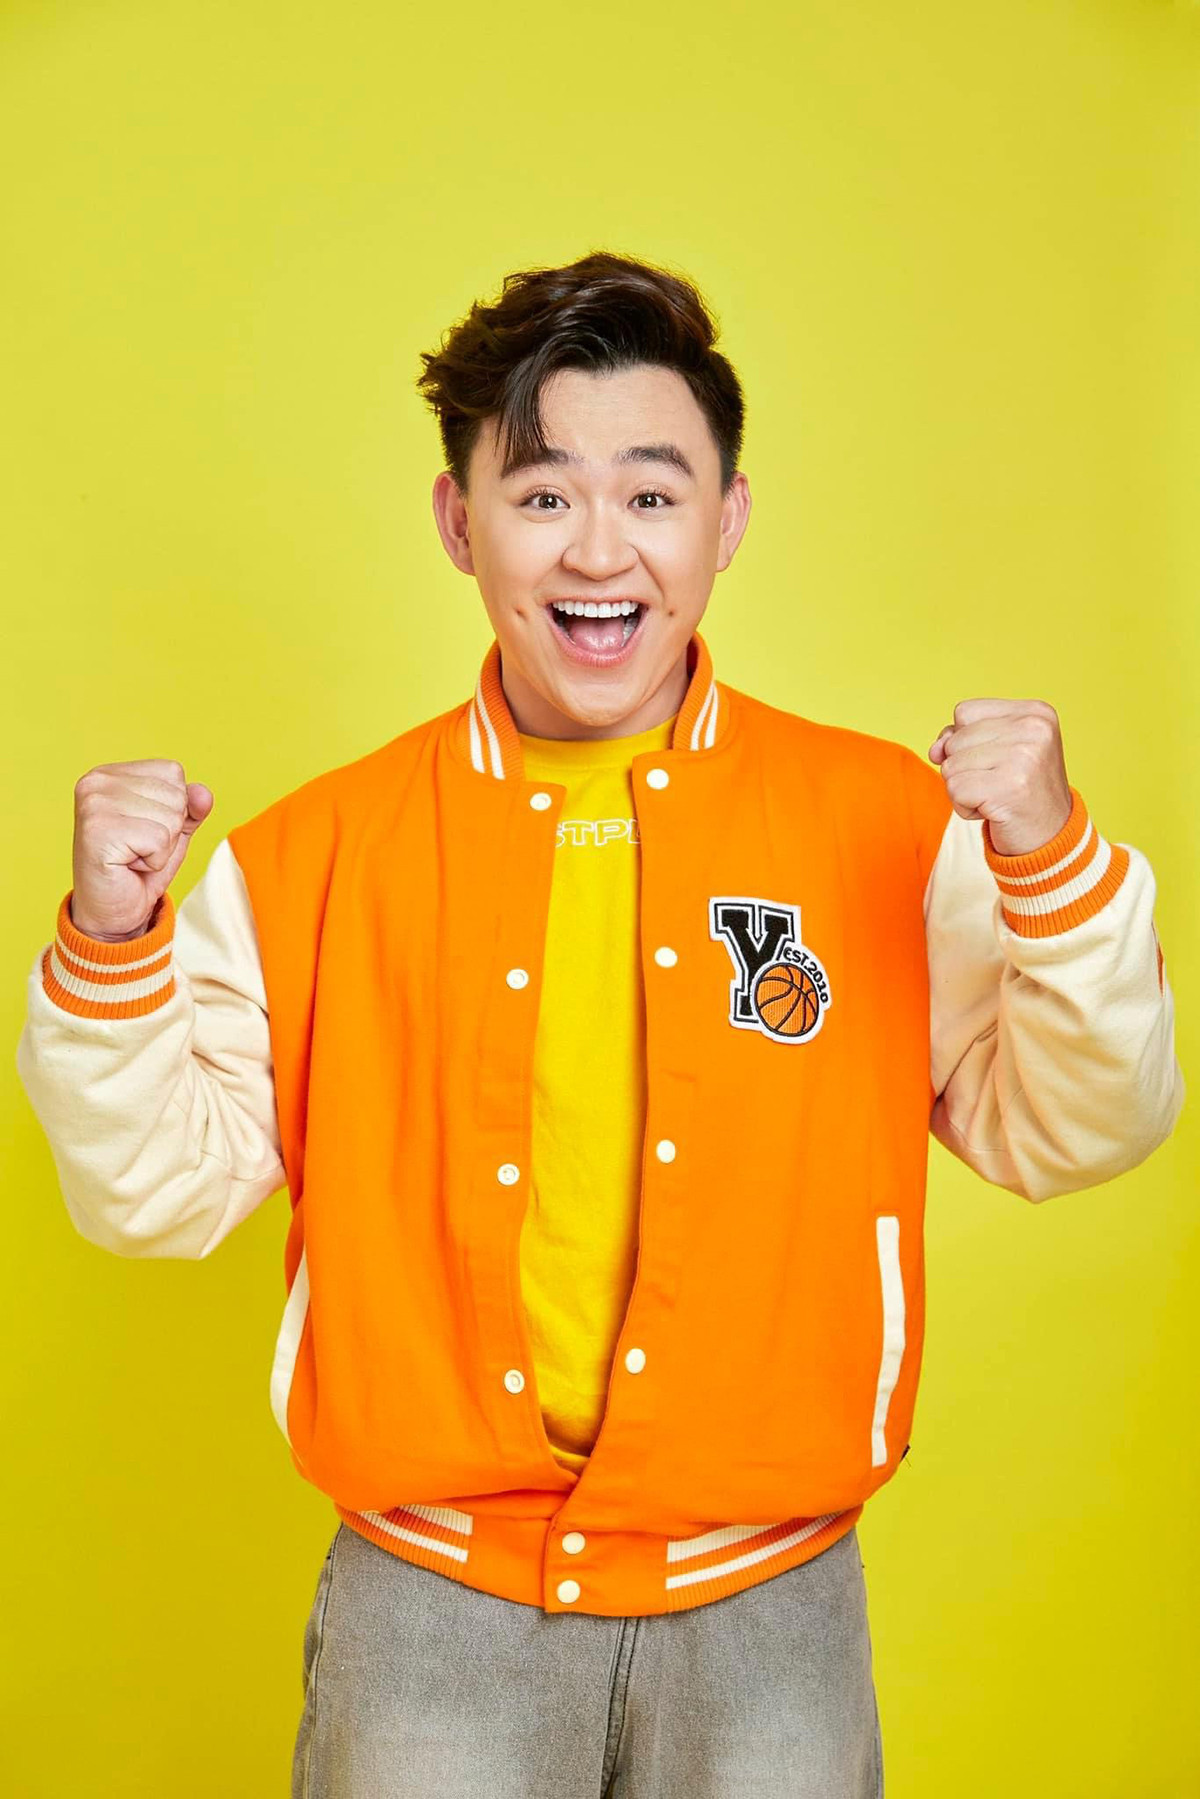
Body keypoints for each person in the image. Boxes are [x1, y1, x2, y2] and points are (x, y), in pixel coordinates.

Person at [16, 249, 1185, 1799]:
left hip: (770, 1594)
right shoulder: (312, 857)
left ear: (728, 519)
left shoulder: (888, 826)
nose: (598, 548)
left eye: (650, 493)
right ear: (460, 522)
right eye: (543, 492)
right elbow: (152, 1198)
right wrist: (111, 943)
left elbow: (1083, 1127)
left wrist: (1053, 865)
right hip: (426, 1599)